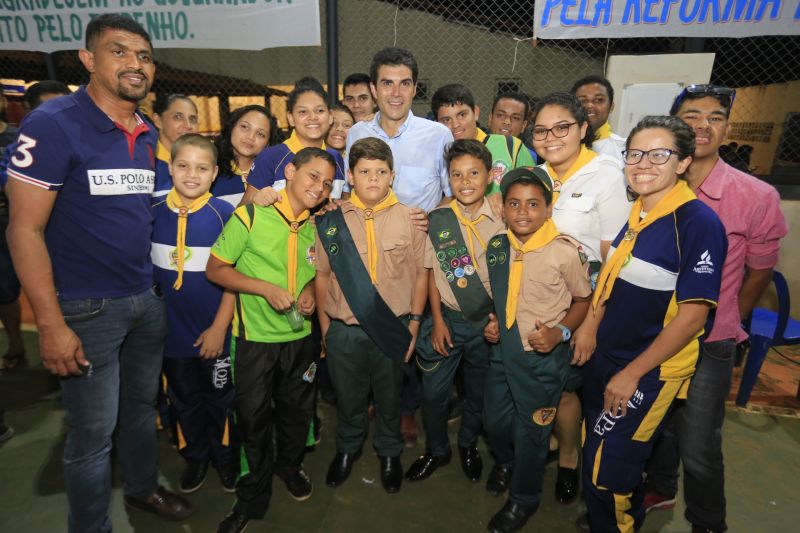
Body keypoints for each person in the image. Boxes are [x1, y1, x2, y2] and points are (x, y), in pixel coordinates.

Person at [5, 14, 193, 532]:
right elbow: (24, 230)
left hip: (144, 300)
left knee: (138, 412)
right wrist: (49, 322)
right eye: (120, 52)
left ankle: (141, 488)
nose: (135, 63)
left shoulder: (145, 131)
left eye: (144, 56)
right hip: (87, 309)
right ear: (88, 60)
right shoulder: (53, 124)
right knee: (91, 435)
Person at [643, 86, 788, 533]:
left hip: (709, 340)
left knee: (700, 442)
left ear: (726, 127)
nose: (703, 125)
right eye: (691, 116)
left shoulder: (755, 195)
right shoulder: (646, 184)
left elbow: (759, 273)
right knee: (655, 424)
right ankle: (661, 488)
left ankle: (708, 522)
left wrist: (724, 321)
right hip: (651, 331)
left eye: (716, 116)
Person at [574, 115, 727, 533]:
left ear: (682, 162)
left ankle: (617, 522)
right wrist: (590, 326)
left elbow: (694, 315)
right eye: (635, 154)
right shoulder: (639, 211)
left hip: (646, 371)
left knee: (610, 470)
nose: (644, 163)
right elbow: (613, 277)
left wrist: (632, 373)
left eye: (660, 154)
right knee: (597, 451)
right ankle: (611, 516)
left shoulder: (698, 224)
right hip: (606, 357)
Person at [206, 147, 336, 533]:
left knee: (298, 408)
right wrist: (262, 288)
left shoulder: (316, 226)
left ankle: (290, 465)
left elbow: (313, 273)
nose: (319, 187)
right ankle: (252, 494)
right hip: (254, 339)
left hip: (300, 338)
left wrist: (311, 289)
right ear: (291, 171)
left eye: (327, 182)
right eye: (313, 176)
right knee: (253, 416)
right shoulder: (250, 215)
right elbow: (216, 269)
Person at [346, 47, 453, 445]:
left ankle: (407, 409)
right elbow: (349, 188)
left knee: (415, 329)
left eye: (404, 83)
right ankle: (381, 398)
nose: (395, 92)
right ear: (373, 89)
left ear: (414, 88)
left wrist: (434, 215)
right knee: (373, 325)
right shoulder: (358, 133)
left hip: (417, 255)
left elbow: (449, 193)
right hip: (371, 252)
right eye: (386, 83)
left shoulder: (437, 135)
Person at [530, 91, 630, 503]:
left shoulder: (608, 175)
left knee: (566, 390)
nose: (551, 137)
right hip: (537, 298)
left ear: (583, 129)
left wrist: (590, 324)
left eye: (562, 127)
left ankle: (569, 456)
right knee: (538, 385)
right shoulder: (532, 174)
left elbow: (614, 260)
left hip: (583, 302)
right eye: (541, 130)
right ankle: (550, 442)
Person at [481, 167, 591, 532]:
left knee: (532, 433)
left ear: (548, 207)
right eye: (514, 203)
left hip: (542, 359)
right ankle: (507, 462)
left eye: (533, 204)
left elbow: (581, 300)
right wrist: (496, 320)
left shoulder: (564, 252)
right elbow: (501, 295)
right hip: (503, 353)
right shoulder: (498, 246)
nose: (523, 212)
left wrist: (561, 331)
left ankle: (524, 499)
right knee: (494, 421)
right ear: (503, 208)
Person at [316, 137, 427, 493]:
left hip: (392, 326)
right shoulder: (330, 220)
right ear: (350, 176)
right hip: (344, 329)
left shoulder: (411, 219)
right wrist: (324, 327)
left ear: (392, 175)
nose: (373, 178)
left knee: (390, 396)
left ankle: (389, 452)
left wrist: (413, 324)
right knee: (348, 398)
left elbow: (422, 274)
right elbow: (322, 275)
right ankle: (347, 449)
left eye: (381, 171)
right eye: (364, 171)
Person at [405, 139, 504, 484]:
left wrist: (498, 321)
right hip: (447, 320)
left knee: (476, 393)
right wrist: (438, 320)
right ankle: (436, 449)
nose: (465, 181)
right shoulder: (439, 219)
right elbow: (432, 272)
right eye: (456, 174)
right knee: (433, 394)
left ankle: (467, 445)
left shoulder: (503, 220)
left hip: (487, 324)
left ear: (489, 176)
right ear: (448, 179)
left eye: (474, 173)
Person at [151, 134, 237, 494]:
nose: (191, 175)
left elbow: (235, 278)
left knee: (221, 400)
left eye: (202, 168)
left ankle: (226, 457)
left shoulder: (224, 215)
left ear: (214, 173)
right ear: (170, 167)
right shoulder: (152, 213)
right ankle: (196, 456)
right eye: (183, 165)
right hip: (171, 336)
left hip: (215, 332)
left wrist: (220, 327)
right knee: (184, 400)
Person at [243, 77, 345, 205]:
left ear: (330, 117)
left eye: (319, 110)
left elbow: (341, 203)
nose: (312, 117)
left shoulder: (336, 158)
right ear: (291, 118)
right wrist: (256, 200)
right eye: (303, 112)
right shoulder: (271, 157)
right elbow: (242, 209)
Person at [431, 84, 536, 195]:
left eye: (462, 115)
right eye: (446, 120)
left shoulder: (510, 146)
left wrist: (504, 200)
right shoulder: (436, 156)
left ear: (476, 112)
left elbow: (534, 193)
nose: (455, 124)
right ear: (437, 124)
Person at [211, 105, 273, 207]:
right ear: (231, 127)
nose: (250, 137)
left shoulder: (274, 176)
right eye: (244, 127)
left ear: (267, 144)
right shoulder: (209, 169)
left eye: (260, 134)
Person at [151, 93, 199, 199]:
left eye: (193, 119)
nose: (188, 125)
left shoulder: (203, 163)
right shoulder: (146, 164)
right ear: (158, 120)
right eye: (177, 117)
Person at [572, 75, 626, 165]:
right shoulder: (558, 147)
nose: (590, 105)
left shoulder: (625, 149)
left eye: (598, 100)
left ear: (611, 107)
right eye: (582, 101)